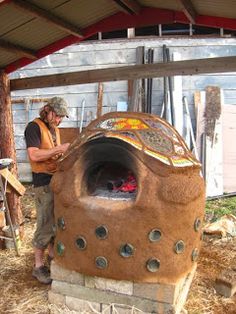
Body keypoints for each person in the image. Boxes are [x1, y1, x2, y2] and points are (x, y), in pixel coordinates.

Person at [24, 97, 70, 284]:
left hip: (55, 179)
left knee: (54, 221)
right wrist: (58, 149)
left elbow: (54, 154)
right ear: (48, 110)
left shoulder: (54, 129)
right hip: (43, 182)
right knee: (44, 223)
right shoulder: (33, 127)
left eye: (61, 117)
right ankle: (38, 266)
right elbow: (34, 154)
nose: (59, 120)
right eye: (57, 115)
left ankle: (52, 257)